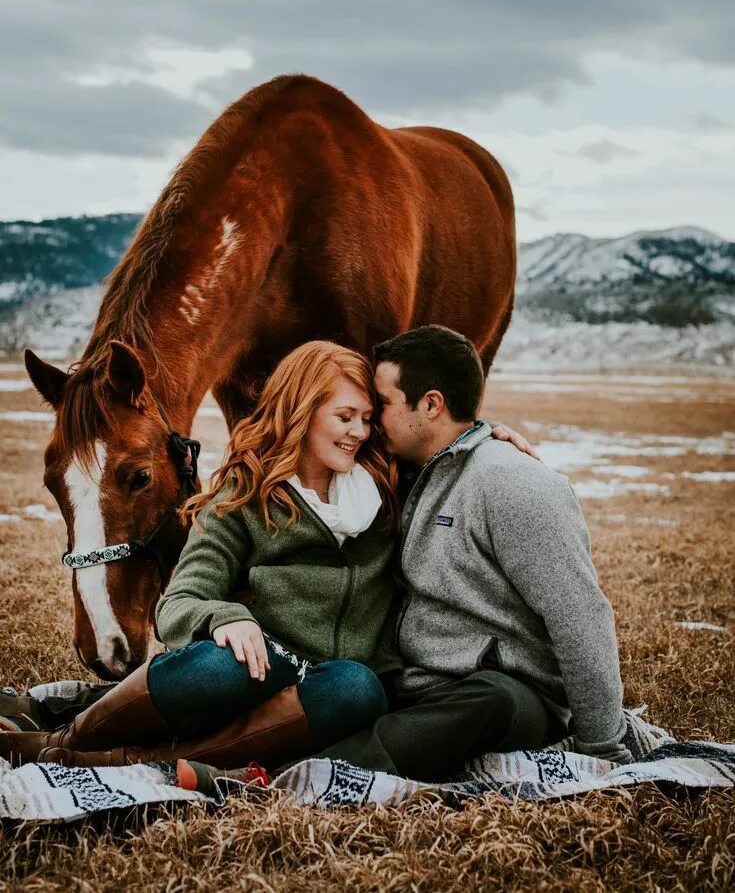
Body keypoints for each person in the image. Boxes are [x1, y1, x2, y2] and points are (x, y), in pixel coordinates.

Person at [0, 336, 532, 775]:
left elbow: (446, 451)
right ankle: (66, 738)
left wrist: (485, 439)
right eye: (344, 416)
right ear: (302, 412)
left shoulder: (389, 487)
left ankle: (119, 760)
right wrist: (227, 618)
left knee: (358, 687)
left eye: (367, 418)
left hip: (325, 689)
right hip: (256, 670)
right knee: (219, 663)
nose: (359, 432)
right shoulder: (243, 495)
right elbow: (180, 601)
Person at [316, 325, 632, 782]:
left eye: (381, 404)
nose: (369, 422)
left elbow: (579, 615)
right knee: (346, 688)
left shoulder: (514, 484)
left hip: (509, 697)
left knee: (490, 700)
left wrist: (602, 747)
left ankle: (301, 778)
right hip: (416, 685)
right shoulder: (401, 473)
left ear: (430, 404)